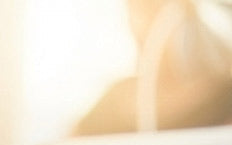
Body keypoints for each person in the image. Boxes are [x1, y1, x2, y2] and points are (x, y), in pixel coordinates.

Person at [75, 0, 232, 135]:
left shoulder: (224, 95)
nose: (141, 24)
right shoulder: (115, 99)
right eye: (136, 12)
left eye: (153, 7)